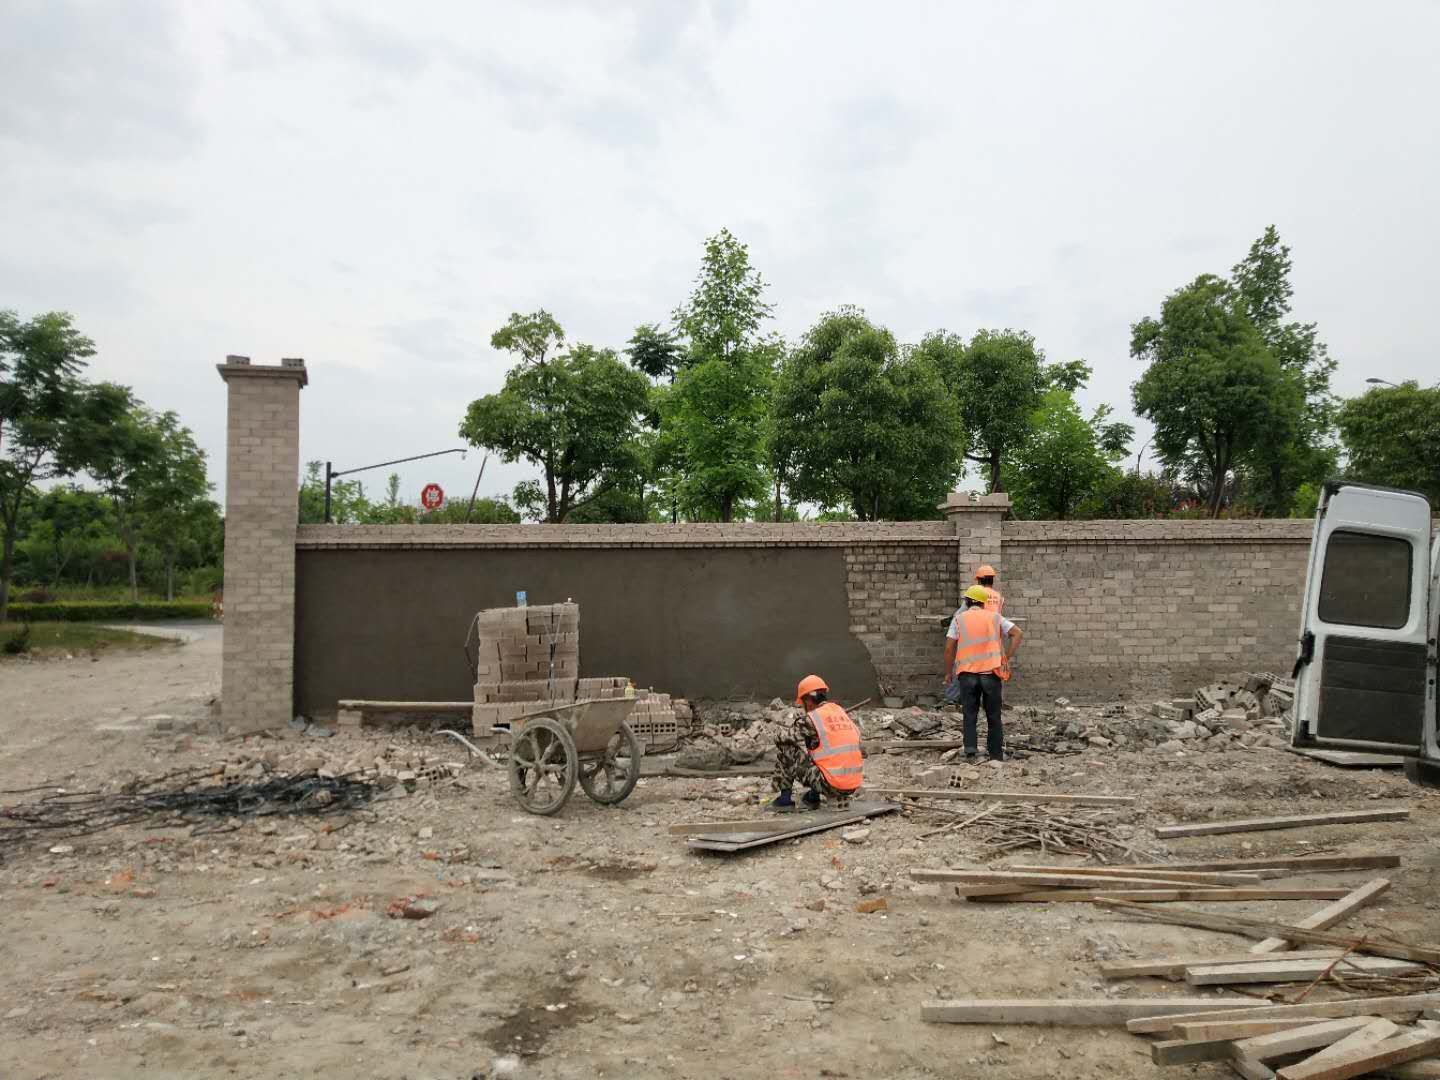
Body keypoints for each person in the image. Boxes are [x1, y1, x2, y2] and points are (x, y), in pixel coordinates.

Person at [943, 585, 1024, 760]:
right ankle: (995, 754)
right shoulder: (995, 617)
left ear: (966, 601)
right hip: (990, 674)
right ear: (983, 603)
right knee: (993, 715)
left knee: (969, 714)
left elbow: (949, 648)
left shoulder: (959, 619)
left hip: (967, 675)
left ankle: (970, 751)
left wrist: (948, 673)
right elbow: (1017, 633)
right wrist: (1005, 658)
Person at [768, 674, 864, 811]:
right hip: (852, 785)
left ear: (808, 700)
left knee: (787, 747)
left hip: (832, 785)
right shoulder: (841, 713)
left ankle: (784, 801)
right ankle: (812, 797)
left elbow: (781, 738)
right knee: (818, 748)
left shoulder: (811, 719)